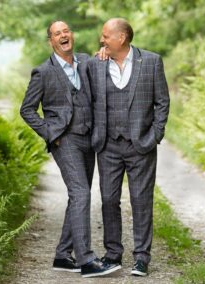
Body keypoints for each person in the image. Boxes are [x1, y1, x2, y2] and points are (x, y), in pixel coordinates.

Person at [20, 20, 120, 278]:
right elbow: (27, 110)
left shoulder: (86, 61)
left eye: (66, 31)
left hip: (89, 138)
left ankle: (63, 255)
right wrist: (50, 133)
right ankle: (86, 260)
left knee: (80, 194)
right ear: (51, 41)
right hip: (65, 140)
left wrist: (105, 54)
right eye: (57, 33)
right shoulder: (42, 72)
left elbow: (104, 65)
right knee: (81, 193)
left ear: (71, 36)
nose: (63, 35)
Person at [87, 18, 170, 276]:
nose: (102, 40)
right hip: (108, 145)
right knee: (109, 200)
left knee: (141, 201)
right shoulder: (96, 64)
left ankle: (142, 258)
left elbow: (162, 102)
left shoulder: (152, 62)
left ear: (121, 37)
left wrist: (154, 135)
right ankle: (113, 255)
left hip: (141, 145)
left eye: (105, 36)